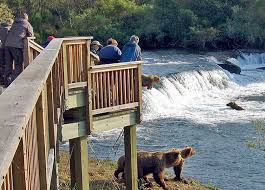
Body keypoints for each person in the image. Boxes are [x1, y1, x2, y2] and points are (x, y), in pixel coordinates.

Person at [4, 12, 33, 86]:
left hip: (7, 45)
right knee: (18, 64)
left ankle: (6, 82)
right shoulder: (26, 23)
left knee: (8, 64)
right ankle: (13, 80)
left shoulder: (14, 23)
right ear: (26, 18)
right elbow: (31, 34)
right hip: (16, 46)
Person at [0, 18, 13, 83]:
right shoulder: (9, 29)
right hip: (7, 48)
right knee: (8, 64)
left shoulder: (1, 28)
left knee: (2, 64)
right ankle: (7, 80)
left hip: (1, 47)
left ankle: (2, 79)